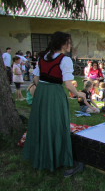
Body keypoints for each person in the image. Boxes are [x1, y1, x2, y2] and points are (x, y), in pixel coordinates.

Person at [22, 31, 86, 176]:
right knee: (56, 124)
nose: (71, 45)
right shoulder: (65, 60)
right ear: (63, 44)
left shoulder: (42, 57)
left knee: (42, 124)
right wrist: (79, 94)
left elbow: (36, 79)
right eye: (69, 42)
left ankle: (41, 155)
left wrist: (42, 92)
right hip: (54, 94)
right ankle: (56, 157)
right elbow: (68, 85)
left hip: (41, 93)